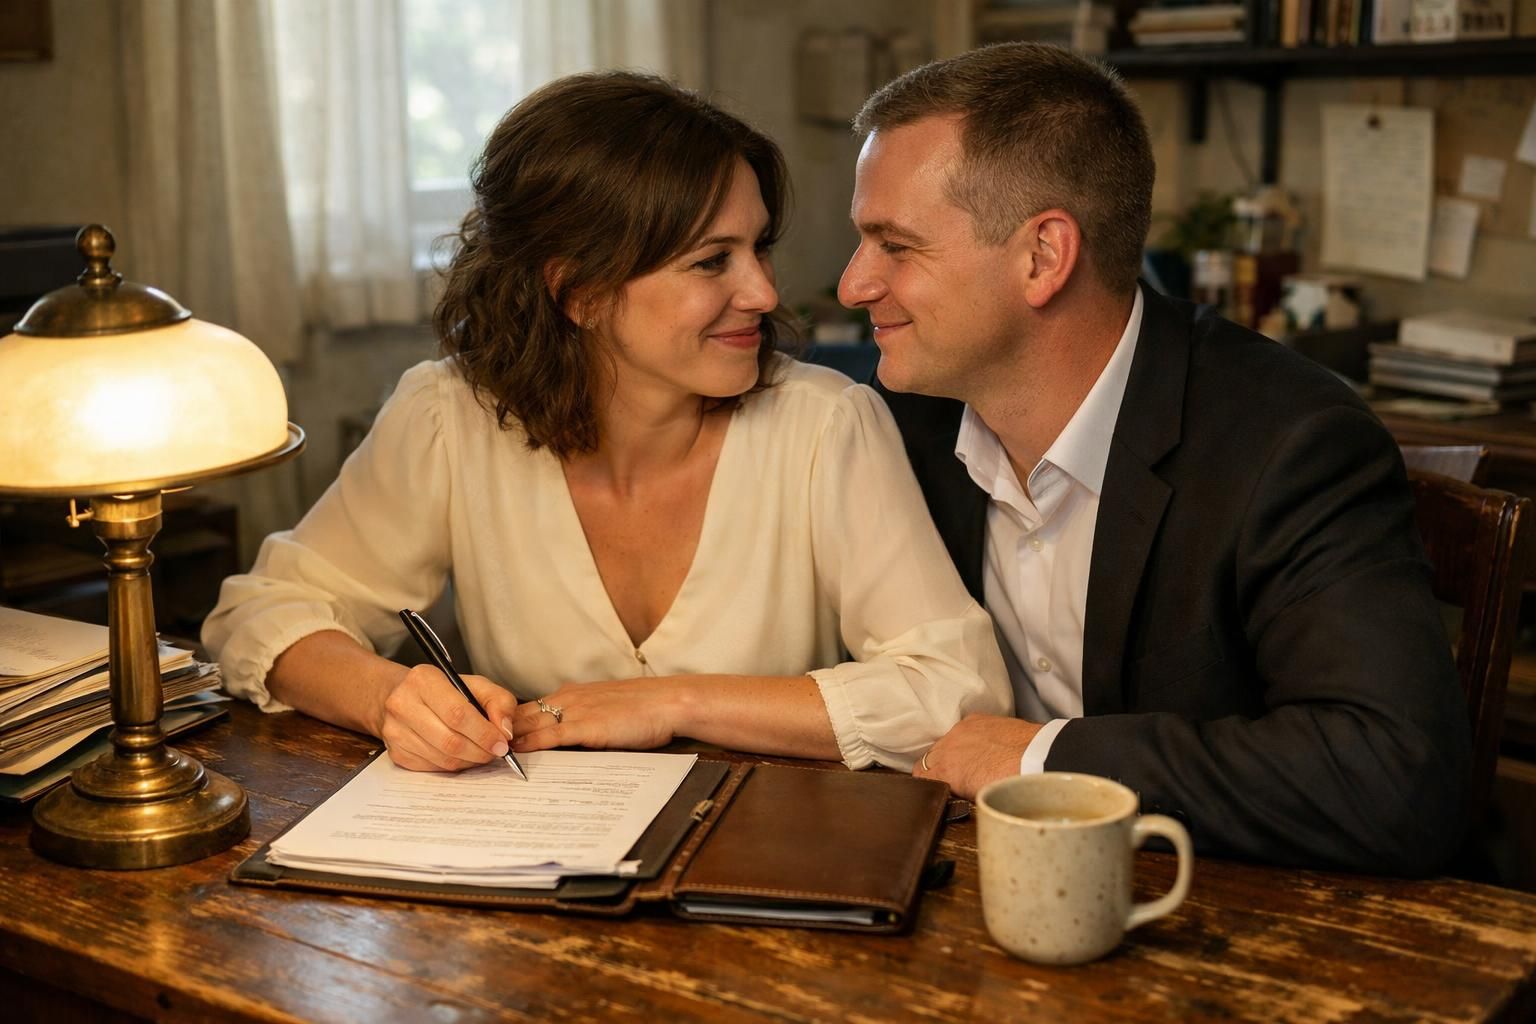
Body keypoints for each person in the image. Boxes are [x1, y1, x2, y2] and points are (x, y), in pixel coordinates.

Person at [203, 72, 1009, 775]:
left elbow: (953, 688)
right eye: (711, 261)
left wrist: (674, 702)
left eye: (758, 248)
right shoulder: (447, 417)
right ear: (578, 292)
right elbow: (260, 612)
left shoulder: (826, 425)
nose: (764, 293)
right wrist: (390, 697)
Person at [837, 42, 1471, 874]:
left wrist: (1041, 758)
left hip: (1247, 923)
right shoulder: (902, 418)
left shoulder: (1289, 442)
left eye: (897, 246)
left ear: (1043, 257)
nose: (853, 284)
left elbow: (1392, 775)